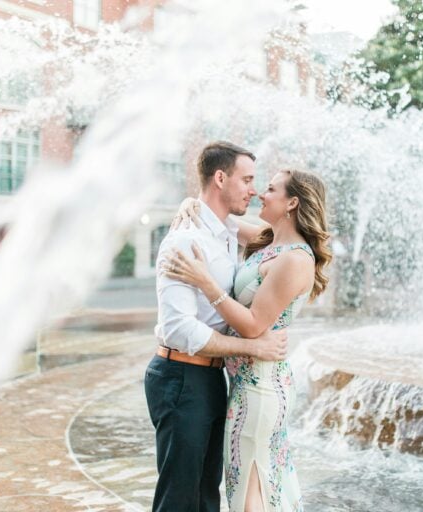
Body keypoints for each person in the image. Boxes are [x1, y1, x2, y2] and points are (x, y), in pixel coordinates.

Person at [165, 168, 332, 512]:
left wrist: (205, 282)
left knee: (251, 489)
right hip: (246, 381)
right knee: (251, 482)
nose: (260, 194)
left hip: (262, 386)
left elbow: (254, 325)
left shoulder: (295, 259)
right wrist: (189, 202)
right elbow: (215, 217)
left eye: (270, 189)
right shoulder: (271, 242)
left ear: (292, 203)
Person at [145, 141, 289, 512]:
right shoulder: (185, 239)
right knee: (179, 499)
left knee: (207, 497)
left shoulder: (225, 232)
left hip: (210, 378)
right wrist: (253, 347)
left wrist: (193, 202)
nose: (253, 190)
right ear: (220, 178)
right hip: (180, 376)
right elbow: (180, 330)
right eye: (247, 180)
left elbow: (281, 238)